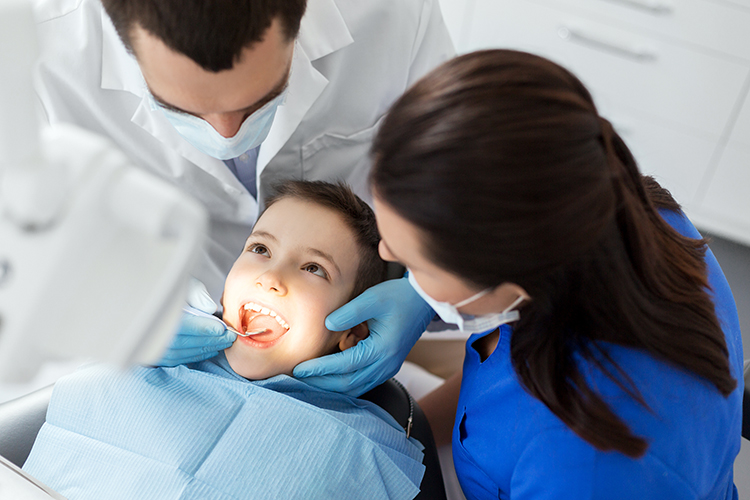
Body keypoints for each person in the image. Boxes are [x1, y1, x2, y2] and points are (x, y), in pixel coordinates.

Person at [367, 50, 745, 498]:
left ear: (510, 286)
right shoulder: (627, 219)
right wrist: (402, 429)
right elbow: (498, 395)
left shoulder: (583, 465)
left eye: (415, 263)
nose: (383, 250)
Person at [32, 0, 451, 394]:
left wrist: (425, 290)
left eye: (262, 99)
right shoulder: (33, 54)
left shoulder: (391, 14)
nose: (227, 133)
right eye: (184, 109)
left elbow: (459, 178)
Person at [22, 181, 426, 500]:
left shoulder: (362, 452)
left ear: (353, 331)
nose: (270, 277)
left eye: (313, 268)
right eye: (261, 248)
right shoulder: (140, 360)